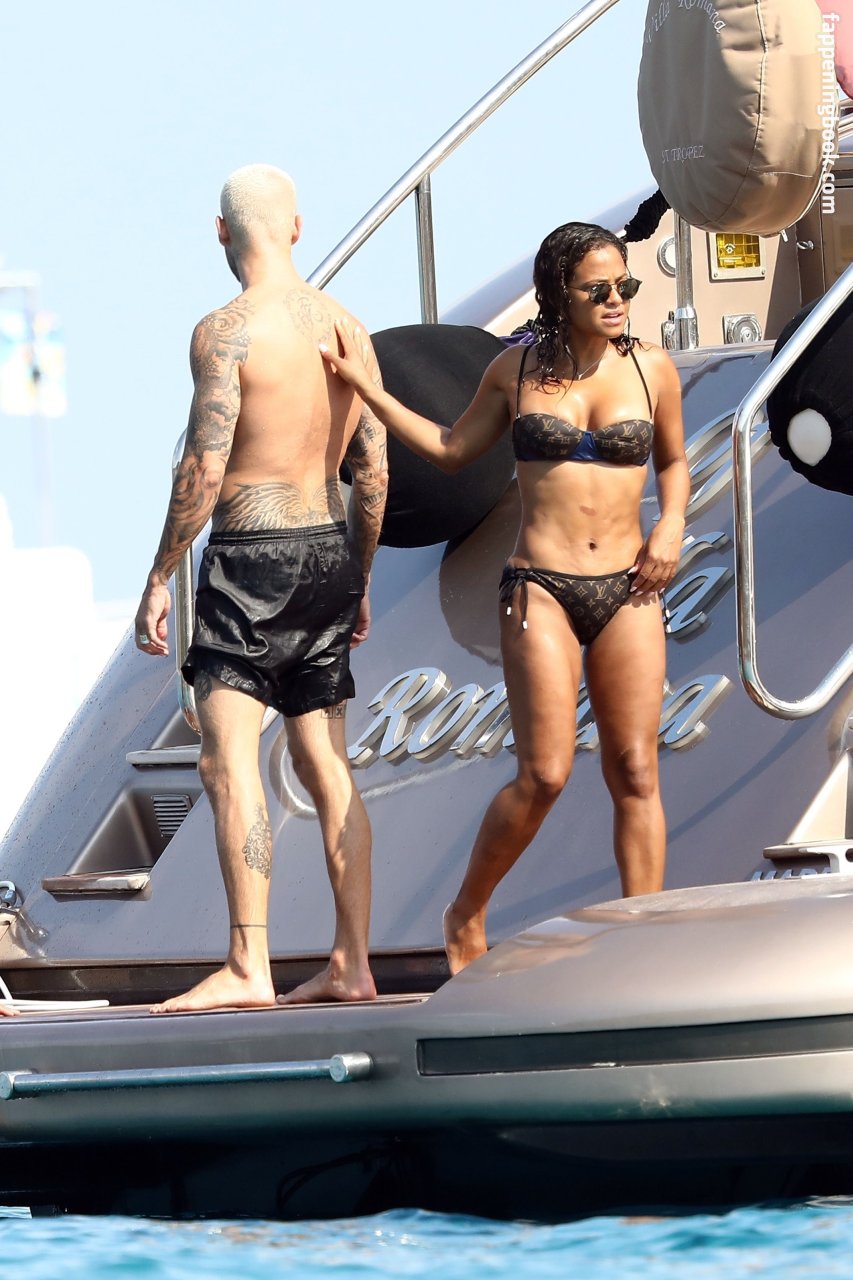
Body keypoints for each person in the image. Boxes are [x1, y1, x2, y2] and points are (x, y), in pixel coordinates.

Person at [321, 221, 689, 975]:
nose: (616, 299)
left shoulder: (652, 367)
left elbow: (674, 462)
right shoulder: (512, 372)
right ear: (558, 294)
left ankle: (643, 937)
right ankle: (466, 912)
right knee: (544, 774)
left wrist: (672, 527)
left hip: (630, 583)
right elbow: (451, 451)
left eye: (625, 285)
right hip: (541, 586)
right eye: (597, 289)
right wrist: (368, 391)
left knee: (635, 769)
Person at [135, 164, 388, 1011]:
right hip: (327, 552)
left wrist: (160, 575)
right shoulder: (347, 328)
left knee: (228, 760)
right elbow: (373, 470)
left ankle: (249, 966)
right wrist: (358, 577)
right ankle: (352, 963)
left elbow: (204, 467)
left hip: (250, 558)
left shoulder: (225, 332)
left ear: (221, 232)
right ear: (297, 227)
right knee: (326, 762)